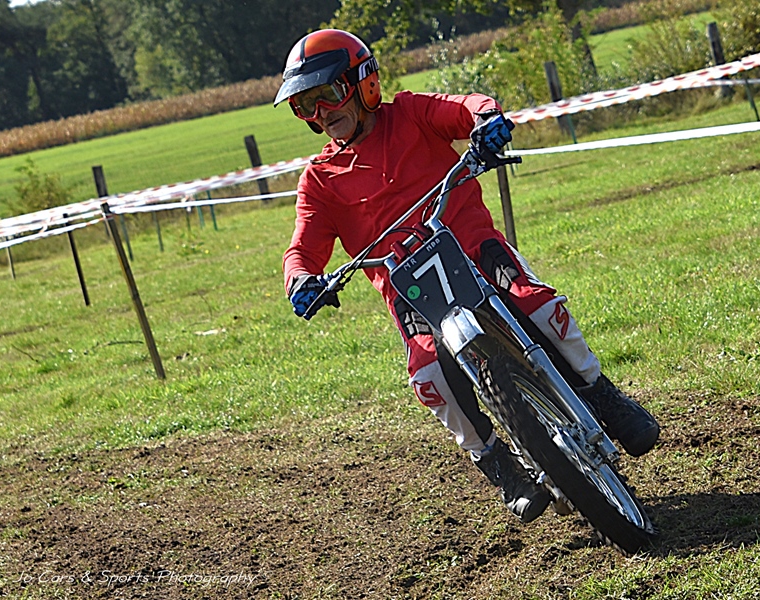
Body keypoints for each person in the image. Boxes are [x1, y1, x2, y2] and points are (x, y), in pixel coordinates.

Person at [275, 29, 659, 523]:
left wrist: (486, 121)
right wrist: (300, 280)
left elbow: (465, 106)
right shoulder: (318, 180)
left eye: (328, 94)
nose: (322, 113)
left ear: (363, 82)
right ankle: (496, 462)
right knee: (429, 375)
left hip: (475, 250)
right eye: (305, 105)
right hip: (411, 293)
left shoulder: (410, 112)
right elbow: (302, 248)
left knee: (539, 305)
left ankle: (601, 393)